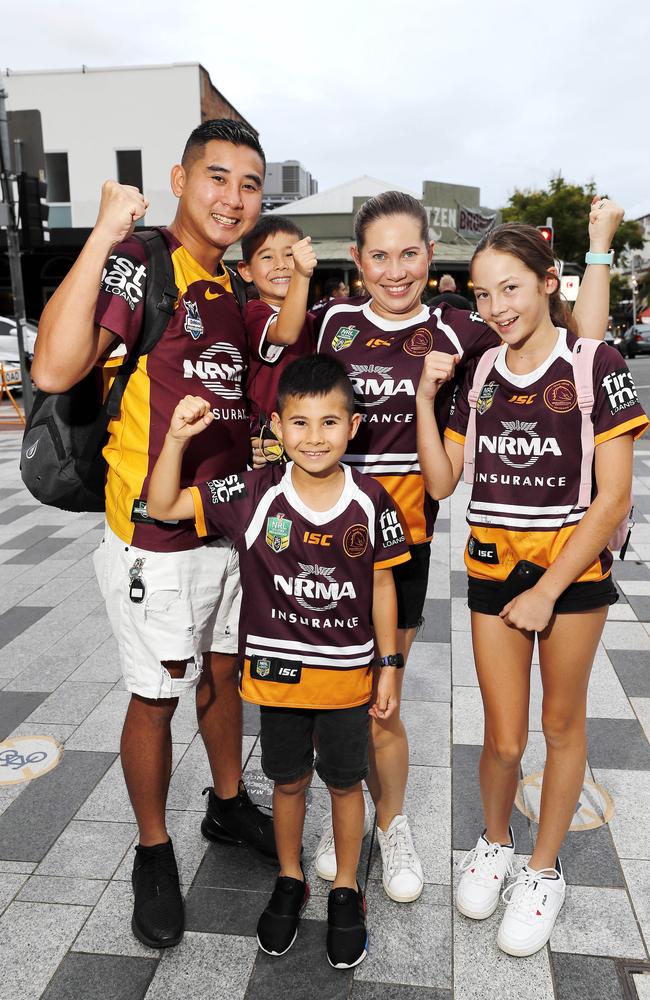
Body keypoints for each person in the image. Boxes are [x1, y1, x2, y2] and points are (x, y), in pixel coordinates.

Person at [313, 190, 622, 902]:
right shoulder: (334, 325)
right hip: (341, 545)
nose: (396, 270)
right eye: (380, 255)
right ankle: (352, 811)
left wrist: (599, 246)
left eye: (410, 253)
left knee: (388, 694)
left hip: (421, 547)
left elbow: (585, 345)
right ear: (357, 262)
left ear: (430, 256)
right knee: (349, 690)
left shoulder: (462, 332)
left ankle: (455, 845)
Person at [31, 119, 277, 950]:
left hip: (226, 530)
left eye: (249, 184)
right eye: (217, 177)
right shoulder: (141, 262)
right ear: (179, 178)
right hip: (153, 538)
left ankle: (226, 801)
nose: (233, 198)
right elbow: (55, 371)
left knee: (224, 673)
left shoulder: (240, 291)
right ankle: (151, 847)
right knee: (155, 693)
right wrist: (103, 231)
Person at [416, 221, 648, 956]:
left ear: (550, 281)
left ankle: (543, 872)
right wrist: (426, 400)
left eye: (510, 288)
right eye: (483, 294)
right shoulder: (481, 372)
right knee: (503, 736)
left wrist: (549, 589)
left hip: (572, 576)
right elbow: (442, 481)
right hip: (491, 571)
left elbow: (611, 498)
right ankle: (494, 843)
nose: (496, 307)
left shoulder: (594, 362)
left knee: (562, 726)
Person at [146, 355, 410, 969]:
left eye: (328, 423)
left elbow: (382, 587)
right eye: (299, 423)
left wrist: (390, 663)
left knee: (346, 784)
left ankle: (347, 886)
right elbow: (163, 506)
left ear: (353, 426)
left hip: (348, 681)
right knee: (287, 782)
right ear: (277, 426)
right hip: (278, 680)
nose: (314, 437)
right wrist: (177, 438)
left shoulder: (373, 500)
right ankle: (290, 878)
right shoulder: (255, 492)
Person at [237, 215, 317, 445]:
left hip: (309, 434)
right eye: (267, 256)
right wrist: (301, 274)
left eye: (290, 254)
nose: (281, 264)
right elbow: (285, 332)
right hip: (268, 438)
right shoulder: (254, 312)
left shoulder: (314, 321)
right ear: (246, 270)